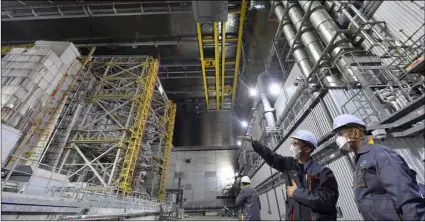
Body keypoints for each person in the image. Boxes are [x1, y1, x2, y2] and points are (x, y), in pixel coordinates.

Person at [332, 114, 425, 220]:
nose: (338, 138)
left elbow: (405, 194)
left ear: (355, 133)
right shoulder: (360, 159)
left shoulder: (379, 154)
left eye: (340, 133)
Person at [239, 130, 339, 221]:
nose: (292, 146)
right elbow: (270, 156)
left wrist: (296, 192)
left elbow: (327, 200)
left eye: (295, 144)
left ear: (307, 149)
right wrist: (255, 142)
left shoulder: (323, 172)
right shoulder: (289, 165)